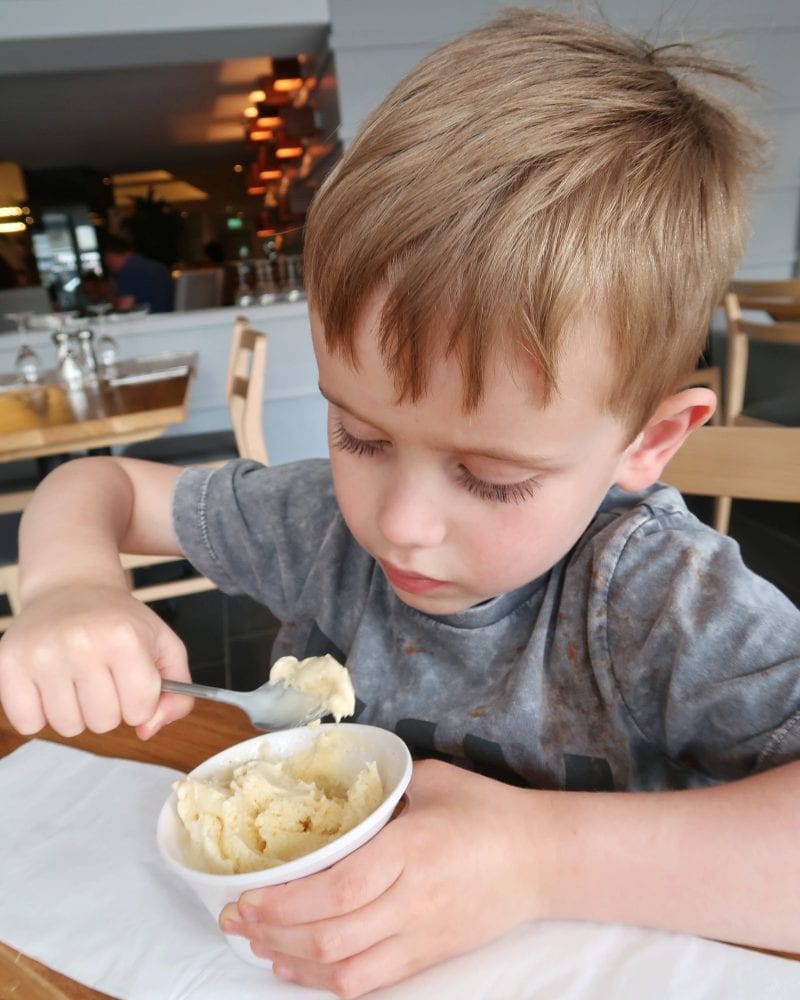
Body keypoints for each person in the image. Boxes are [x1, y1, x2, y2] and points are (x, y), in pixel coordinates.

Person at [0, 8, 798, 998]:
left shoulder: (656, 598)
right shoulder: (315, 527)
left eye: (492, 476)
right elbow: (101, 484)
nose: (399, 522)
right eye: (359, 435)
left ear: (645, 442)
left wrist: (534, 861)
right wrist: (68, 583)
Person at [103, 233, 174, 313]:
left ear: (110, 256)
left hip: (148, 322)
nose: (108, 265)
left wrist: (111, 297)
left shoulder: (128, 270)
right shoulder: (159, 267)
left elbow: (124, 309)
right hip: (168, 320)